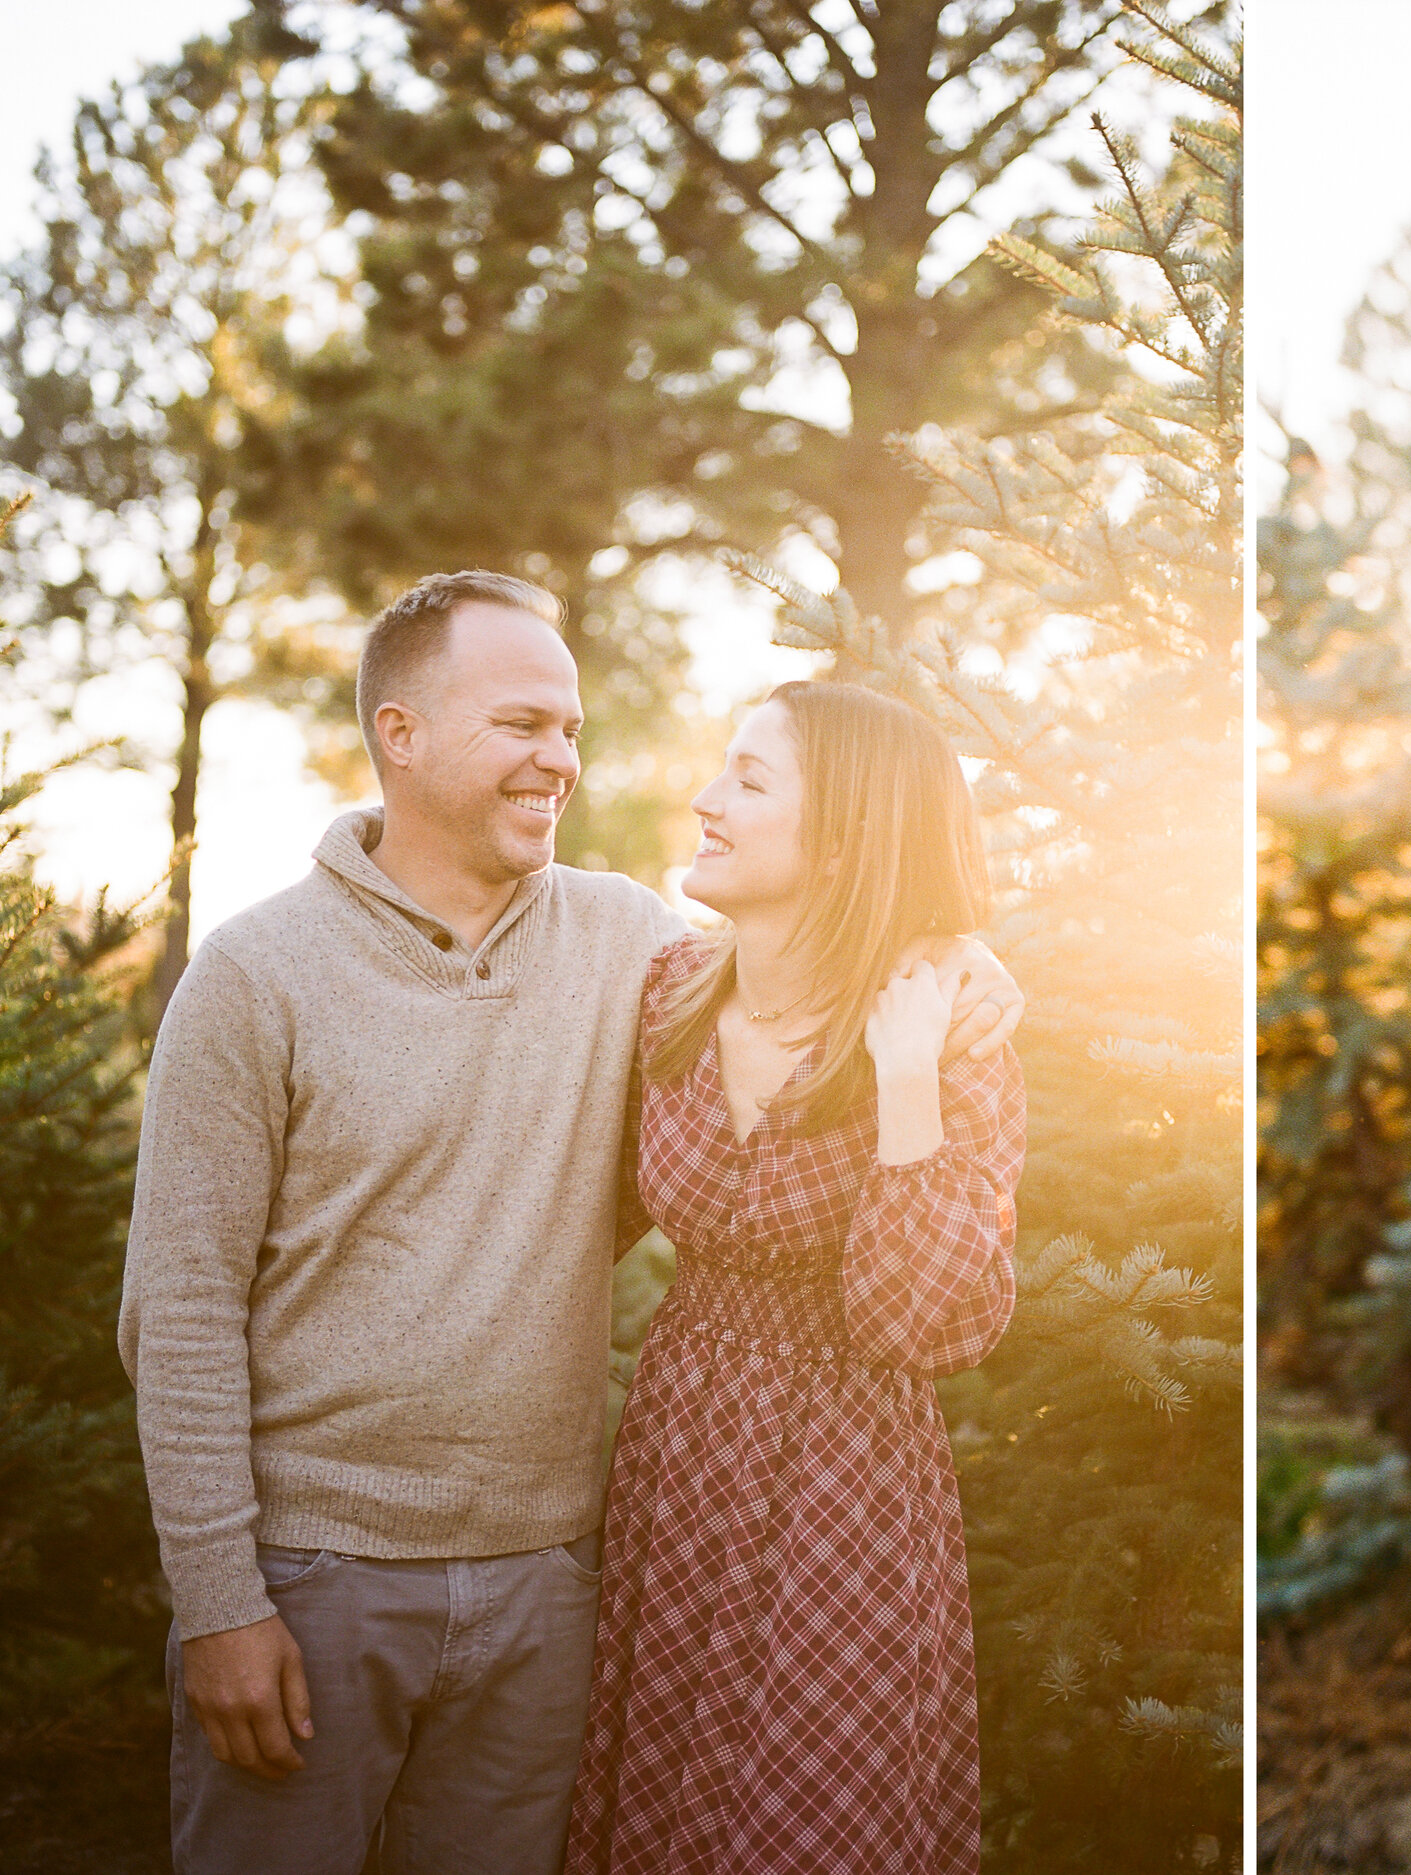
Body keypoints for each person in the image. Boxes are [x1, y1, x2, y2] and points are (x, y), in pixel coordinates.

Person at [120, 572, 1020, 1875]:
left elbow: (843, 936)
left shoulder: (627, 945)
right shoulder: (258, 975)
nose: (562, 760)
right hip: (316, 1573)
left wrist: (953, 974)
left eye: (572, 728)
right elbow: (182, 1304)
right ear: (401, 734)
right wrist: (219, 1602)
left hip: (551, 1578)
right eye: (523, 724)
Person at [563, 682, 1023, 1875]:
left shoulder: (948, 1031)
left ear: (844, 840)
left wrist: (907, 1079)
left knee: (805, 1827)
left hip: (846, 1478)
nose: (706, 800)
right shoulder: (667, 992)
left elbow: (922, 1318)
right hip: (680, 1462)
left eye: (750, 781)